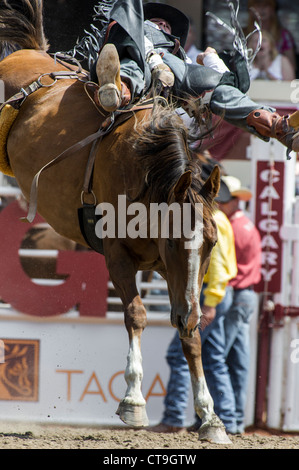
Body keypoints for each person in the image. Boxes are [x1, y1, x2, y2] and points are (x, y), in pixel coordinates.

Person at [92, 0, 299, 155]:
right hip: (143, 62)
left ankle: (280, 128)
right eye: (157, 22)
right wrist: (154, 61)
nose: (163, 24)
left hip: (177, 74)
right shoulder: (134, 32)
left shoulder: (181, 55)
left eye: (167, 25)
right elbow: (133, 43)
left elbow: (220, 78)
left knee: (219, 89)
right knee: (132, 65)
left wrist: (211, 60)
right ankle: (117, 91)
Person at [148, 185, 238, 433]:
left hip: (210, 294)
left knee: (180, 355)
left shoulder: (208, 221)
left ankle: (174, 417)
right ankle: (228, 420)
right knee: (213, 359)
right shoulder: (219, 219)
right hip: (217, 293)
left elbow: (216, 267)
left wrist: (209, 304)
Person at [216, 175, 262, 434]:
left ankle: (225, 419)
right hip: (246, 296)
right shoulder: (246, 225)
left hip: (234, 294)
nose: (220, 203)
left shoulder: (230, 228)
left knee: (218, 357)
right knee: (238, 360)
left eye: (224, 199)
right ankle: (236, 420)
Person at [246, 0, 296, 71]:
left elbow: (292, 66)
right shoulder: (243, 34)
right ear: (250, 10)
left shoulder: (284, 35)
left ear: (273, 9)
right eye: (258, 6)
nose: (262, 9)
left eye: (266, 5)